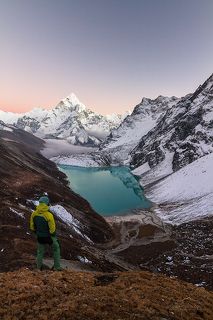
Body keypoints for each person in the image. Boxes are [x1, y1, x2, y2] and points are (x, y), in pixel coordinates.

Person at [30, 196, 62, 271]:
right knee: (56, 248)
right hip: (49, 237)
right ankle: (57, 267)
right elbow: (52, 230)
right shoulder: (49, 215)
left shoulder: (34, 214)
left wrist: (37, 233)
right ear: (47, 204)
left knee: (40, 252)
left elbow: (32, 227)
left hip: (40, 236)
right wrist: (52, 236)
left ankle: (38, 267)